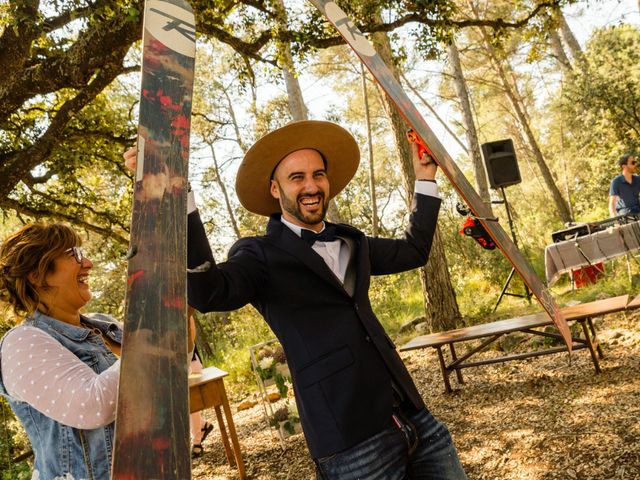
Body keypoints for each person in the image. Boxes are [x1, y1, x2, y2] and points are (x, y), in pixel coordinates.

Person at [186, 120, 467, 479]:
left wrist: (425, 177)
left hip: (416, 420)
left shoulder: (352, 241)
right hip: (351, 444)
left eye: (318, 175)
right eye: (297, 177)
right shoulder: (260, 255)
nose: (311, 185)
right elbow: (208, 292)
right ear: (275, 189)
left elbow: (414, 250)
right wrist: (181, 199)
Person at [0, 223, 121, 480]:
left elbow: (176, 361)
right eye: (72, 254)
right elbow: (93, 406)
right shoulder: (23, 342)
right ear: (36, 274)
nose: (87, 262)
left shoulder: (105, 325)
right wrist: (151, 333)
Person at [609, 153, 640, 217]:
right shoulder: (616, 182)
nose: (635, 164)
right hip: (625, 215)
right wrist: (615, 221)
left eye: (635, 162)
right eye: (633, 163)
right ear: (624, 166)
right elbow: (612, 205)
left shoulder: (638, 179)